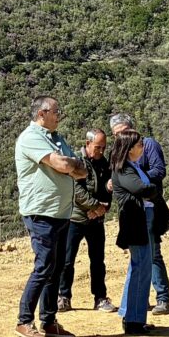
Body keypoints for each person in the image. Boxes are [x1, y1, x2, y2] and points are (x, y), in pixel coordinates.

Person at [14, 94, 87, 337]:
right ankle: (24, 321)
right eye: (56, 111)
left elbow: (81, 171)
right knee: (44, 265)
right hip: (41, 212)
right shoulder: (31, 138)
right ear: (41, 114)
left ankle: (49, 321)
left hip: (61, 212)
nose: (59, 115)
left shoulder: (57, 138)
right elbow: (63, 165)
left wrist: (70, 163)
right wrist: (69, 164)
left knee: (55, 268)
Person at [110, 127, 169, 335]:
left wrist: (150, 193)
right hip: (136, 222)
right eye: (139, 145)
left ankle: (133, 317)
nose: (142, 148)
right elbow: (142, 189)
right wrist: (153, 191)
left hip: (142, 219)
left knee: (140, 268)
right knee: (140, 269)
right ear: (129, 149)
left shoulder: (131, 166)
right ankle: (133, 321)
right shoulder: (124, 169)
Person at [62, 128, 112, 313]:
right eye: (98, 147)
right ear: (87, 144)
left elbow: (109, 189)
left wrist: (102, 209)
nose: (101, 151)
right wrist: (95, 207)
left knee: (98, 261)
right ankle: (63, 297)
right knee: (67, 260)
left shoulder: (104, 164)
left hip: (96, 221)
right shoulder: (76, 162)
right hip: (75, 219)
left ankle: (100, 298)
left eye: (103, 148)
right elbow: (76, 190)